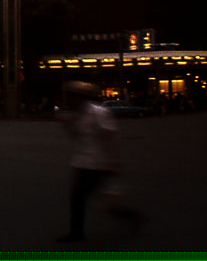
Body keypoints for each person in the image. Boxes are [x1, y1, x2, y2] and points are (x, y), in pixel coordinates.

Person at [56, 80, 143, 243]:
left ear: (80, 97)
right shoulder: (77, 115)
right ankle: (128, 216)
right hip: (82, 162)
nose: (68, 100)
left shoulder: (99, 113)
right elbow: (76, 137)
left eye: (71, 96)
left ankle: (78, 233)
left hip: (97, 164)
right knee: (91, 199)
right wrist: (67, 125)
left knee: (81, 198)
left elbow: (110, 138)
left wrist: (113, 163)